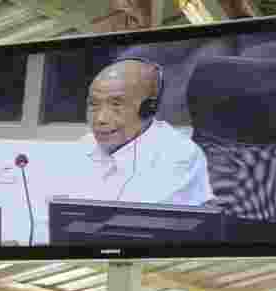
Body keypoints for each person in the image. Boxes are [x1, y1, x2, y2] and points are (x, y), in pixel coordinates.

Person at [63, 58, 214, 206]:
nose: (100, 119)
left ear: (149, 108)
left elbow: (142, 222)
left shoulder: (179, 154)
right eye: (93, 104)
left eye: (116, 104)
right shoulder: (85, 145)